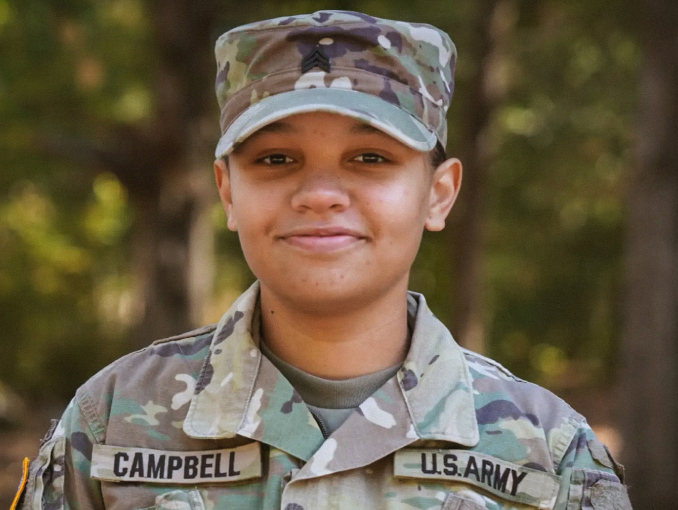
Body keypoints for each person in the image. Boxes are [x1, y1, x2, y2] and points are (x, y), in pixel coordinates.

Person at [14, 10, 632, 510]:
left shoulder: (550, 457)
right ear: (228, 192)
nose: (319, 195)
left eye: (371, 159)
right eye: (276, 160)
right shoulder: (108, 425)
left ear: (439, 193)